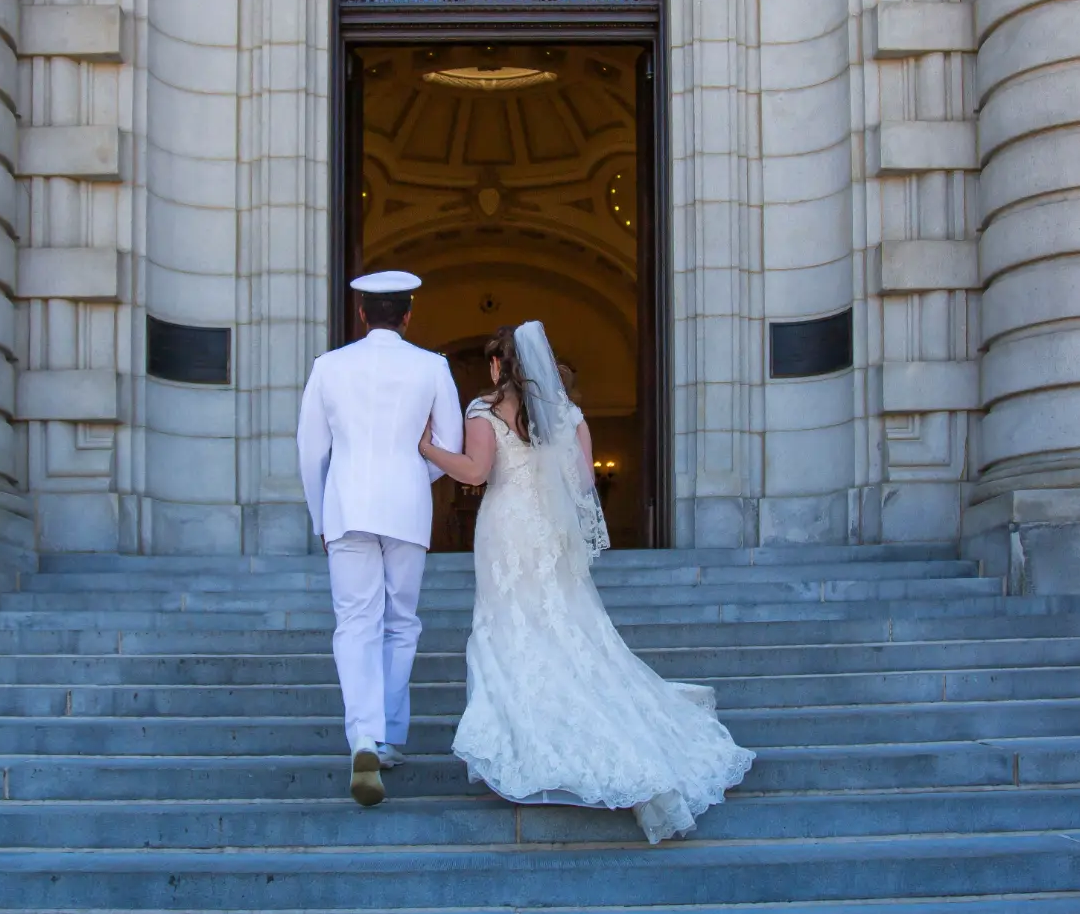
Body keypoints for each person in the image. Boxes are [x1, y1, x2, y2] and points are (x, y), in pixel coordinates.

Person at [418, 322, 755, 842]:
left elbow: (475, 473)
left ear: (497, 367)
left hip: (506, 530)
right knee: (566, 623)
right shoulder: (568, 414)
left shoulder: (483, 412)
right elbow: (580, 483)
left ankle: (521, 736)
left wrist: (428, 449)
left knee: (506, 627)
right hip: (549, 534)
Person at [296, 270, 463, 807]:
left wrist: (320, 515)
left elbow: (310, 452)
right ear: (408, 315)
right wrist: (415, 480)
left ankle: (363, 736)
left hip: (345, 505)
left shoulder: (329, 367)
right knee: (401, 622)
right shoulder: (432, 366)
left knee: (355, 623)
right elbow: (448, 446)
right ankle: (387, 736)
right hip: (407, 507)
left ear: (362, 314)